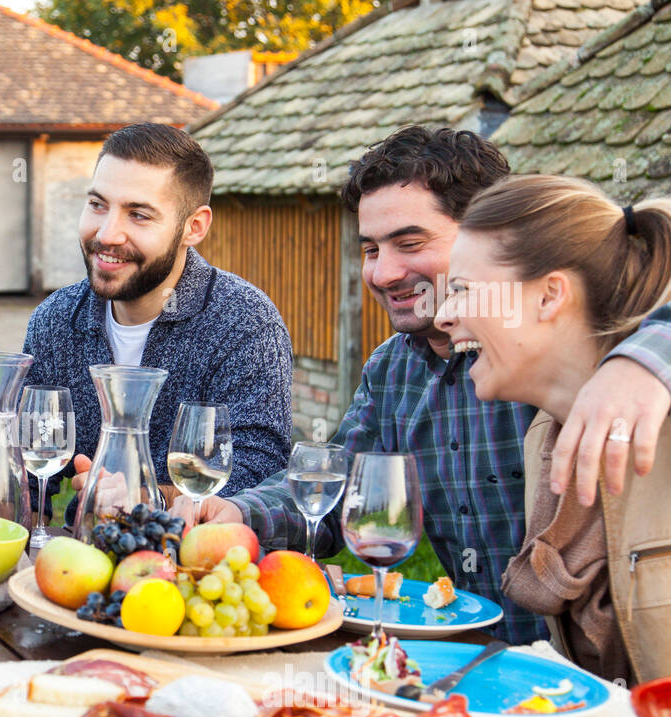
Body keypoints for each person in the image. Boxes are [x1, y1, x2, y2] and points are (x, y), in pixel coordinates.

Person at [173, 127, 671, 646]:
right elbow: (336, 484)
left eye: (410, 243)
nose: (384, 273)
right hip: (478, 665)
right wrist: (238, 514)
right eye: (370, 249)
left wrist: (647, 358)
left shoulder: (595, 371)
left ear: (483, 233)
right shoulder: (393, 371)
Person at [0, 122, 293, 513]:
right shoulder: (55, 320)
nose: (107, 233)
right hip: (78, 564)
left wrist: (146, 494)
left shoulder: (244, 323)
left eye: (139, 215)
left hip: (192, 565)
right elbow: (30, 473)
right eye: (98, 205)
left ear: (193, 227)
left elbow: (260, 476)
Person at [433, 175, 671, 683]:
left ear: (549, 297)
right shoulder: (545, 436)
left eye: (461, 291)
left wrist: (654, 352)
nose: (444, 315)